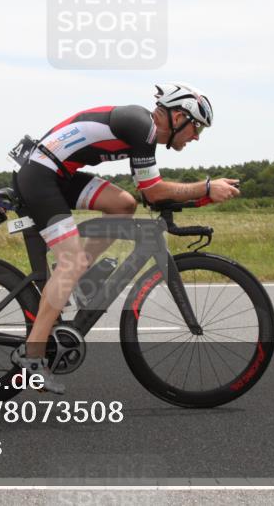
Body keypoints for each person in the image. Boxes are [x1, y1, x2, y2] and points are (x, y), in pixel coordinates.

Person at [12, 83, 240, 393]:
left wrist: (200, 197)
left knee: (123, 205)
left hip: (57, 173)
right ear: (176, 117)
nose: (196, 136)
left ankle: (79, 281)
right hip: (41, 175)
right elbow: (154, 191)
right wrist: (206, 188)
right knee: (72, 261)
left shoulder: (143, 132)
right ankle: (33, 356)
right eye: (195, 127)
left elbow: (145, 197)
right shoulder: (142, 127)